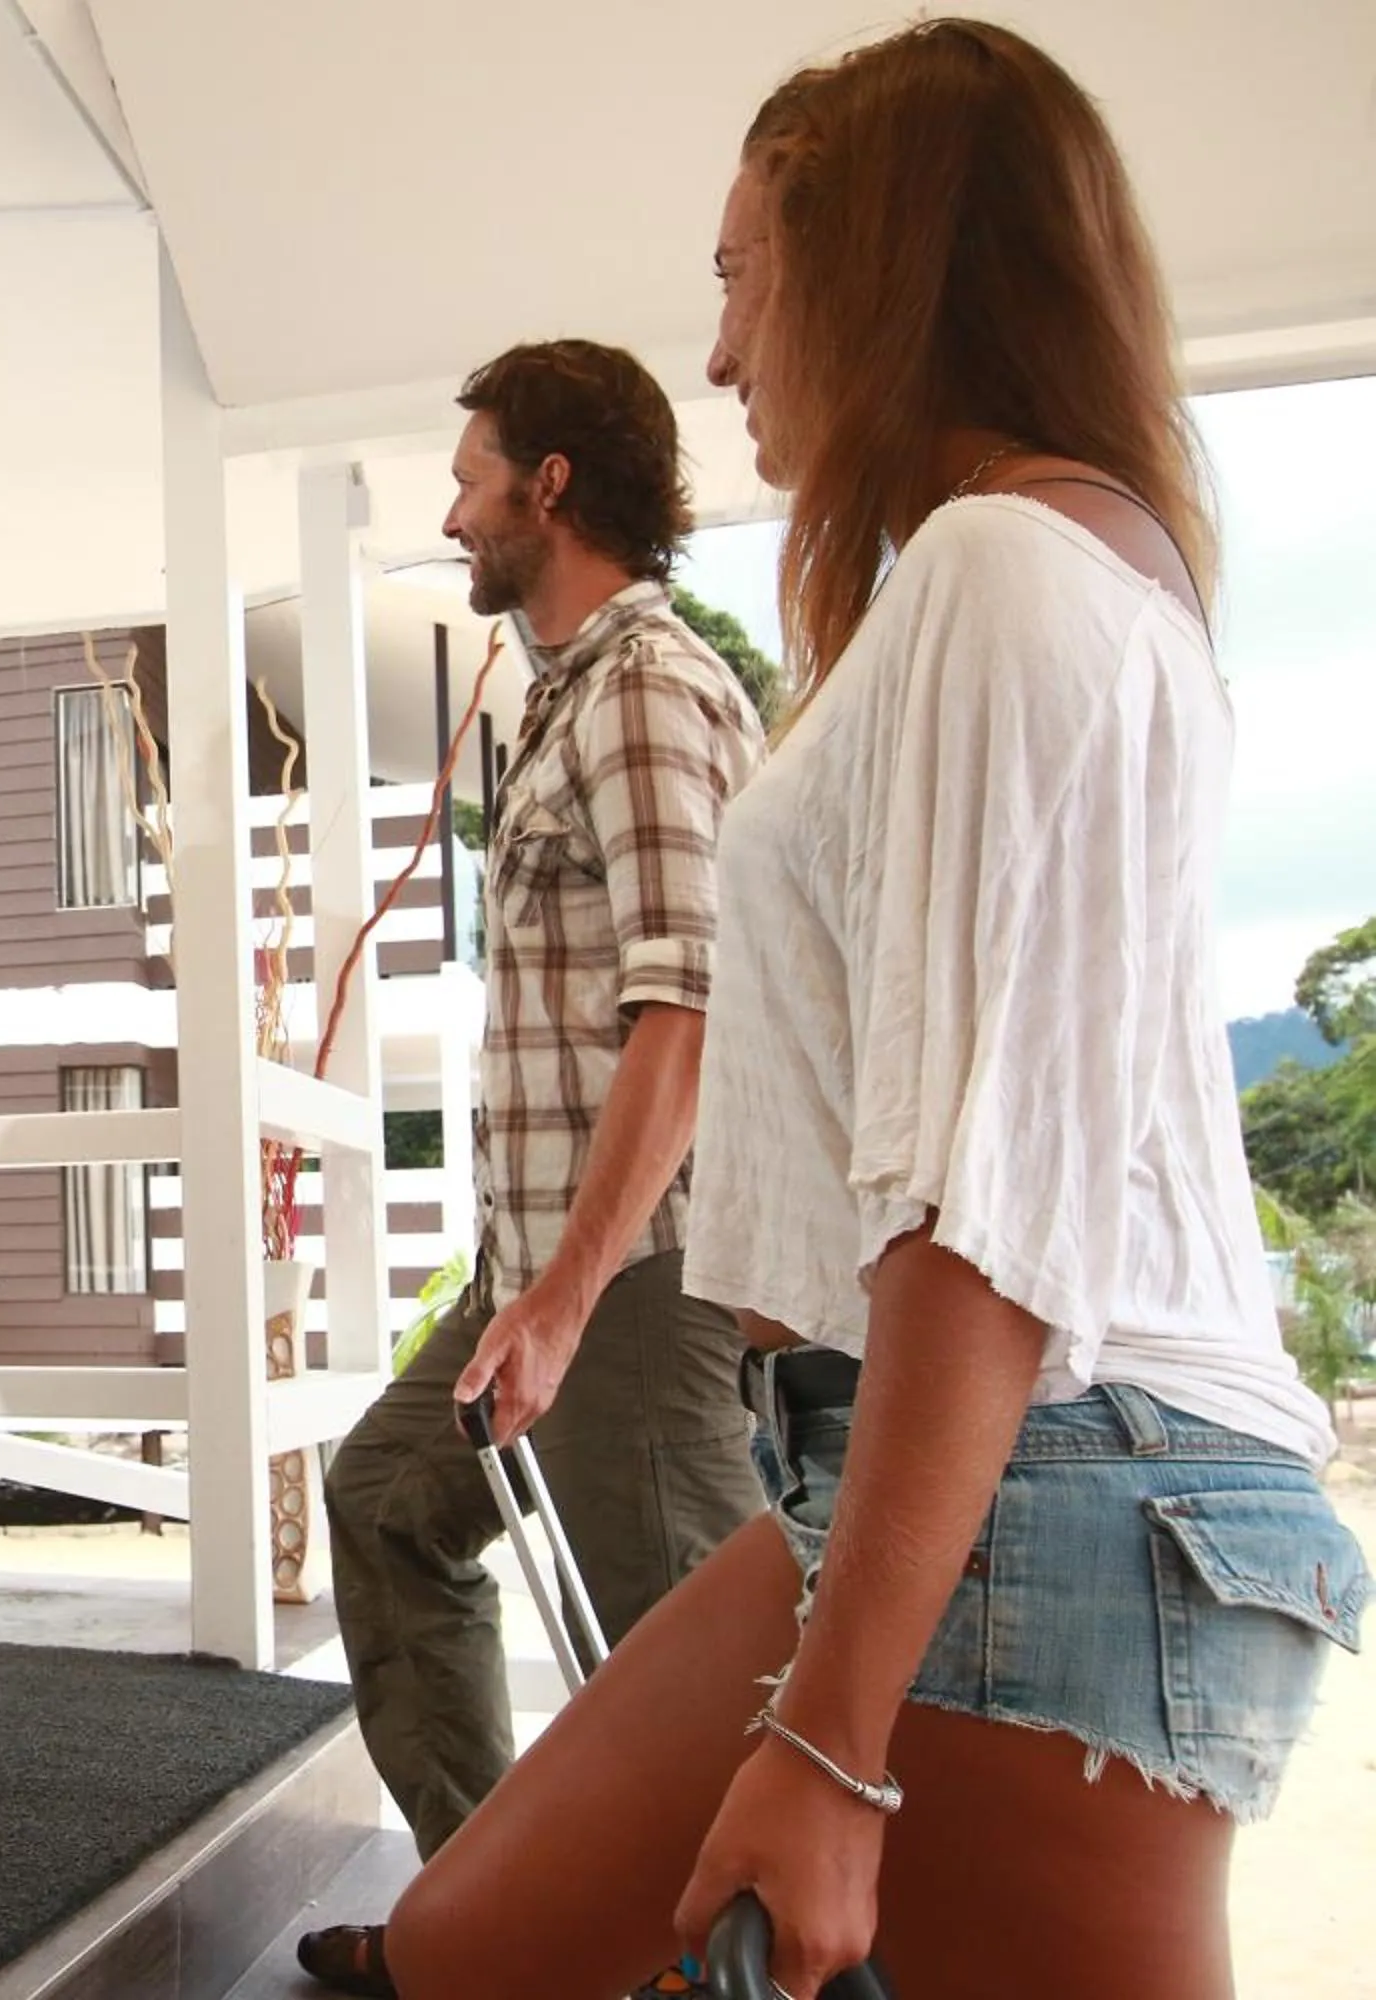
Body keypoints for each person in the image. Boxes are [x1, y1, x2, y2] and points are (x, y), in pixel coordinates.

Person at [360, 23, 1367, 2000]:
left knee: (477, 1955)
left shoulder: (1001, 572)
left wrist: (826, 1736)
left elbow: (980, 1207)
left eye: (741, 274)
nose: (722, 353)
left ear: (886, 255)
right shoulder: (1093, 570)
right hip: (1038, 1469)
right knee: (467, 1943)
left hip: (1061, 1475)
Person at [299, 339, 769, 1994]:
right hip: (548, 1273)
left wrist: (568, 1296)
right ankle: (510, 1934)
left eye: (472, 473)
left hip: (637, 1279)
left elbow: (689, 1008)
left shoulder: (649, 692)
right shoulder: (569, 691)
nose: (452, 508)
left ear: (550, 485)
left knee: (708, 1689)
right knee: (383, 1504)